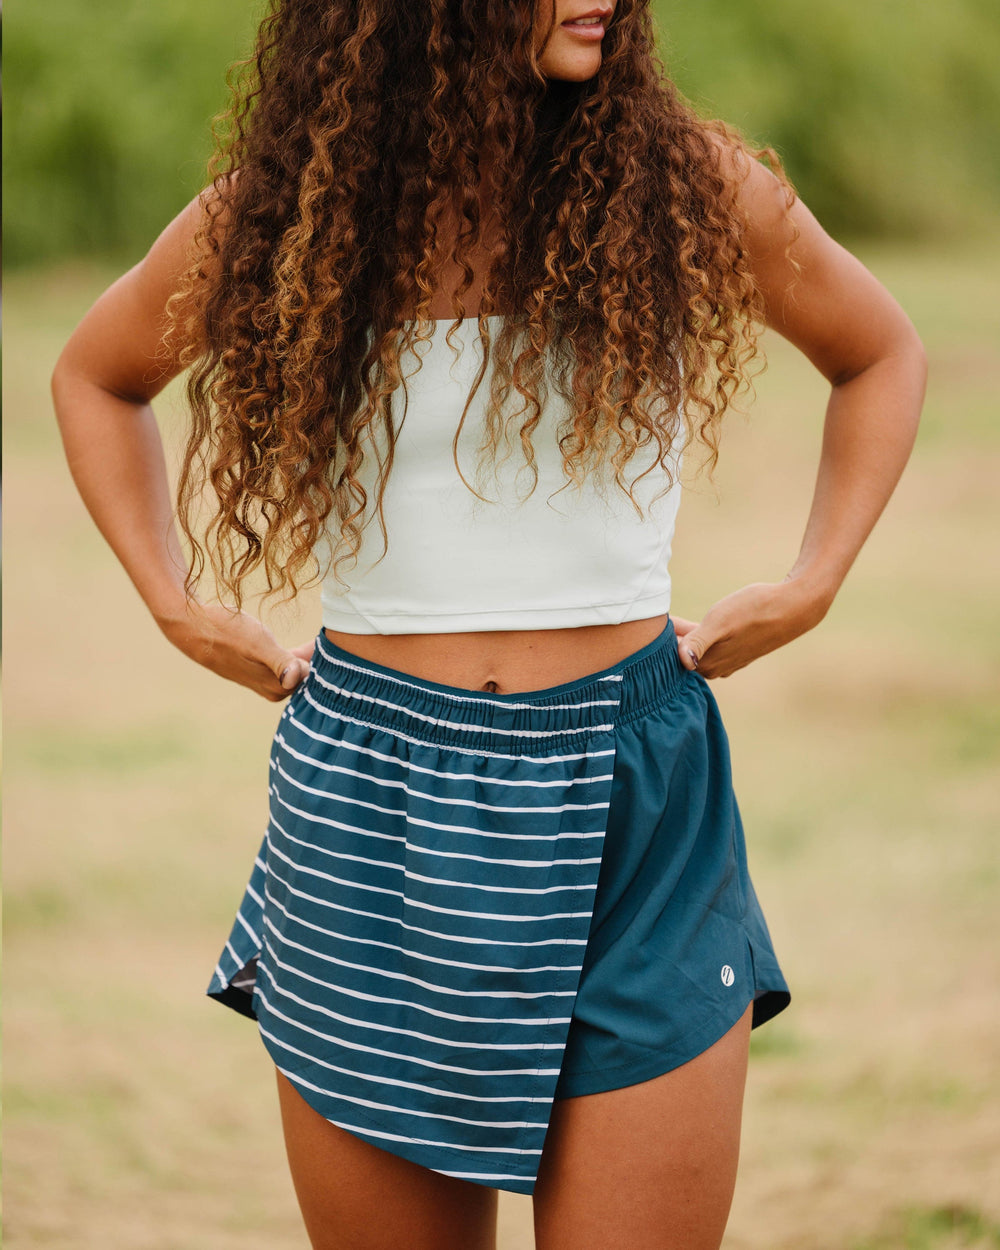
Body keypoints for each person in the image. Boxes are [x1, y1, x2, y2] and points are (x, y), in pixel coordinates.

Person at [51, 1, 926, 1246]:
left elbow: (879, 350)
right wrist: (174, 604)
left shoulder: (683, 182)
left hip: (635, 798)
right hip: (372, 803)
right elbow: (95, 373)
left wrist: (812, 579)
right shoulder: (289, 210)